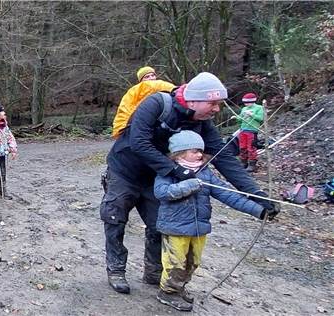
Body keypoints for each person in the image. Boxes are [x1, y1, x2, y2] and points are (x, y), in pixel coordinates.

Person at [100, 72, 279, 295]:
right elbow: (139, 143)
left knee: (160, 225)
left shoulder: (203, 123)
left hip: (156, 178)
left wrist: (256, 193)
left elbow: (222, 157)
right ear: (194, 99)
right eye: (212, 103)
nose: (216, 109)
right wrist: (176, 170)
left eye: (218, 104)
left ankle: (154, 272)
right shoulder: (156, 104)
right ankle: (116, 269)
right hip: (124, 172)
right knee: (115, 219)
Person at [152, 130, 272, 311]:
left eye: (200, 150)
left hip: (199, 228)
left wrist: (259, 211)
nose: (200, 154)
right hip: (174, 228)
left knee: (193, 262)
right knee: (175, 263)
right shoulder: (168, 171)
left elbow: (228, 195)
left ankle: (179, 287)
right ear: (179, 153)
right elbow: (161, 192)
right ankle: (168, 292)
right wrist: (188, 185)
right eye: (194, 151)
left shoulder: (205, 173)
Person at [110, 66, 176, 139]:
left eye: (153, 75)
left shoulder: (161, 90)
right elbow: (125, 110)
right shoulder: (134, 91)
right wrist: (121, 129)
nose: (151, 78)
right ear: (141, 81)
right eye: (147, 77)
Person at [236, 93, 265, 172]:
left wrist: (252, 115)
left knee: (251, 147)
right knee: (242, 147)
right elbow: (240, 118)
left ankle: (252, 164)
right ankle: (243, 162)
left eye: (247, 103)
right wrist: (236, 117)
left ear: (253, 101)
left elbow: (261, 119)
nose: (246, 104)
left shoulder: (259, 108)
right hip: (243, 130)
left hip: (252, 131)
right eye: (245, 103)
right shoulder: (244, 109)